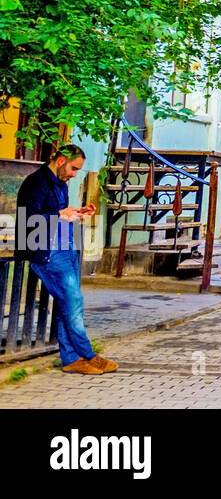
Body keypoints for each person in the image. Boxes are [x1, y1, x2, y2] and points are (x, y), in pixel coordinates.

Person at [16, 145, 116, 376]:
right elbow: (27, 220)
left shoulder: (59, 184)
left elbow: (54, 215)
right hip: (45, 250)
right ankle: (87, 354)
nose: (74, 174)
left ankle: (73, 358)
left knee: (68, 302)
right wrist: (61, 214)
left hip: (62, 246)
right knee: (73, 301)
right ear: (61, 160)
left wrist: (75, 213)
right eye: (73, 168)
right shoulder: (36, 183)